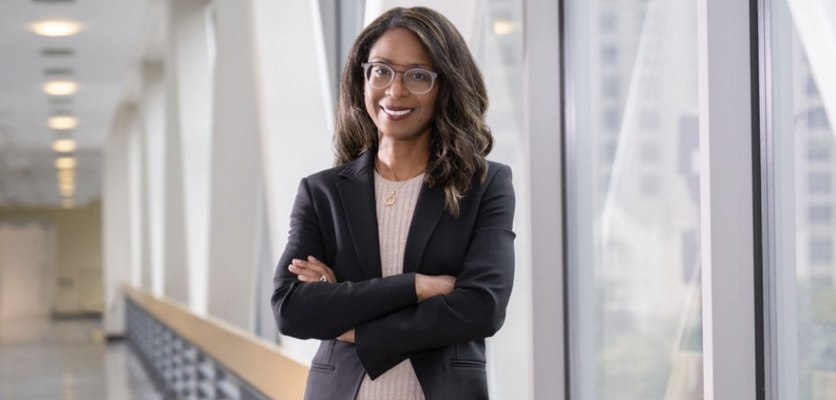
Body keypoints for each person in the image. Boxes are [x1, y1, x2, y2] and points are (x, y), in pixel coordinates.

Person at [271, 6, 515, 400]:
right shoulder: (322, 192)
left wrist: (353, 324)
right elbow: (291, 309)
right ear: (363, 79)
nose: (395, 91)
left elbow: (482, 307)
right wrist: (416, 287)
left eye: (418, 76)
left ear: (445, 86)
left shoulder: (484, 186)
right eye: (381, 71)